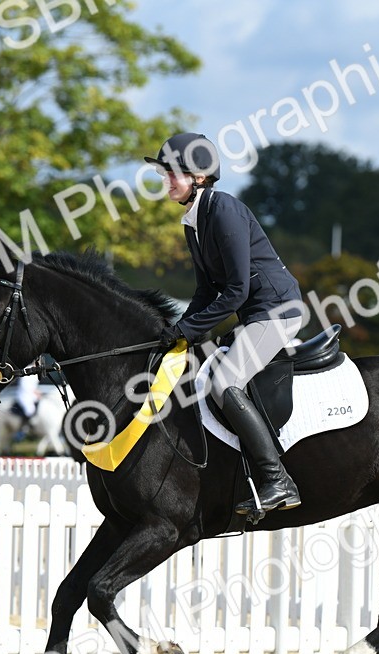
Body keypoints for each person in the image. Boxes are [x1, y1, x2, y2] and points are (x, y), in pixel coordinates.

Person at [145, 132, 304, 515]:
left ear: (198, 177)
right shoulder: (193, 220)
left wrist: (187, 330)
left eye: (172, 173)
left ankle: (277, 479)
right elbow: (204, 292)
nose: (165, 180)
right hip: (254, 315)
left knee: (223, 382)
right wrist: (177, 331)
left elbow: (233, 292)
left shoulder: (225, 210)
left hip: (277, 310)